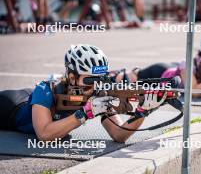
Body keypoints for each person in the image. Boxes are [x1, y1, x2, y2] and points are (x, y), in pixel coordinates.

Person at [0, 44, 169, 142]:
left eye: (100, 79)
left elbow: (118, 135)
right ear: (72, 77)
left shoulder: (98, 93)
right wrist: (85, 113)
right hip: (8, 107)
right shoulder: (46, 90)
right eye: (89, 80)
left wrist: (142, 112)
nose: (95, 85)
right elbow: (44, 135)